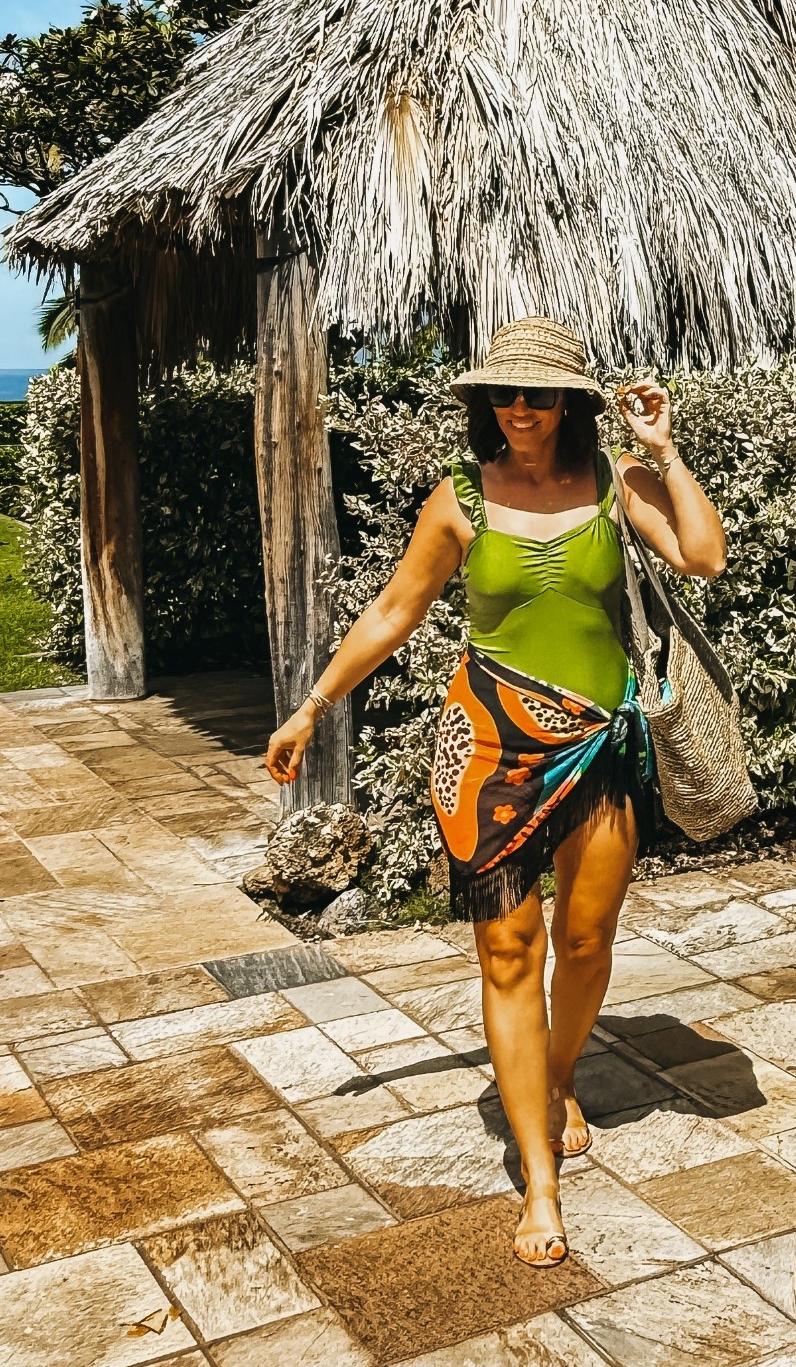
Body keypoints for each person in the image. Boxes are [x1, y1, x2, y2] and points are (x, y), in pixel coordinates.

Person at [263, 316, 727, 1266]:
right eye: (504, 396)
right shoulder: (460, 499)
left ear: (570, 405)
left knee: (586, 937)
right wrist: (313, 705)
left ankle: (558, 1079)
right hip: (487, 750)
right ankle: (540, 1182)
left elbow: (703, 556)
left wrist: (665, 452)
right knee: (509, 955)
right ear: (485, 405)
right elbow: (395, 610)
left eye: (539, 394)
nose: (520, 410)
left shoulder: (614, 487)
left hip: (599, 749)